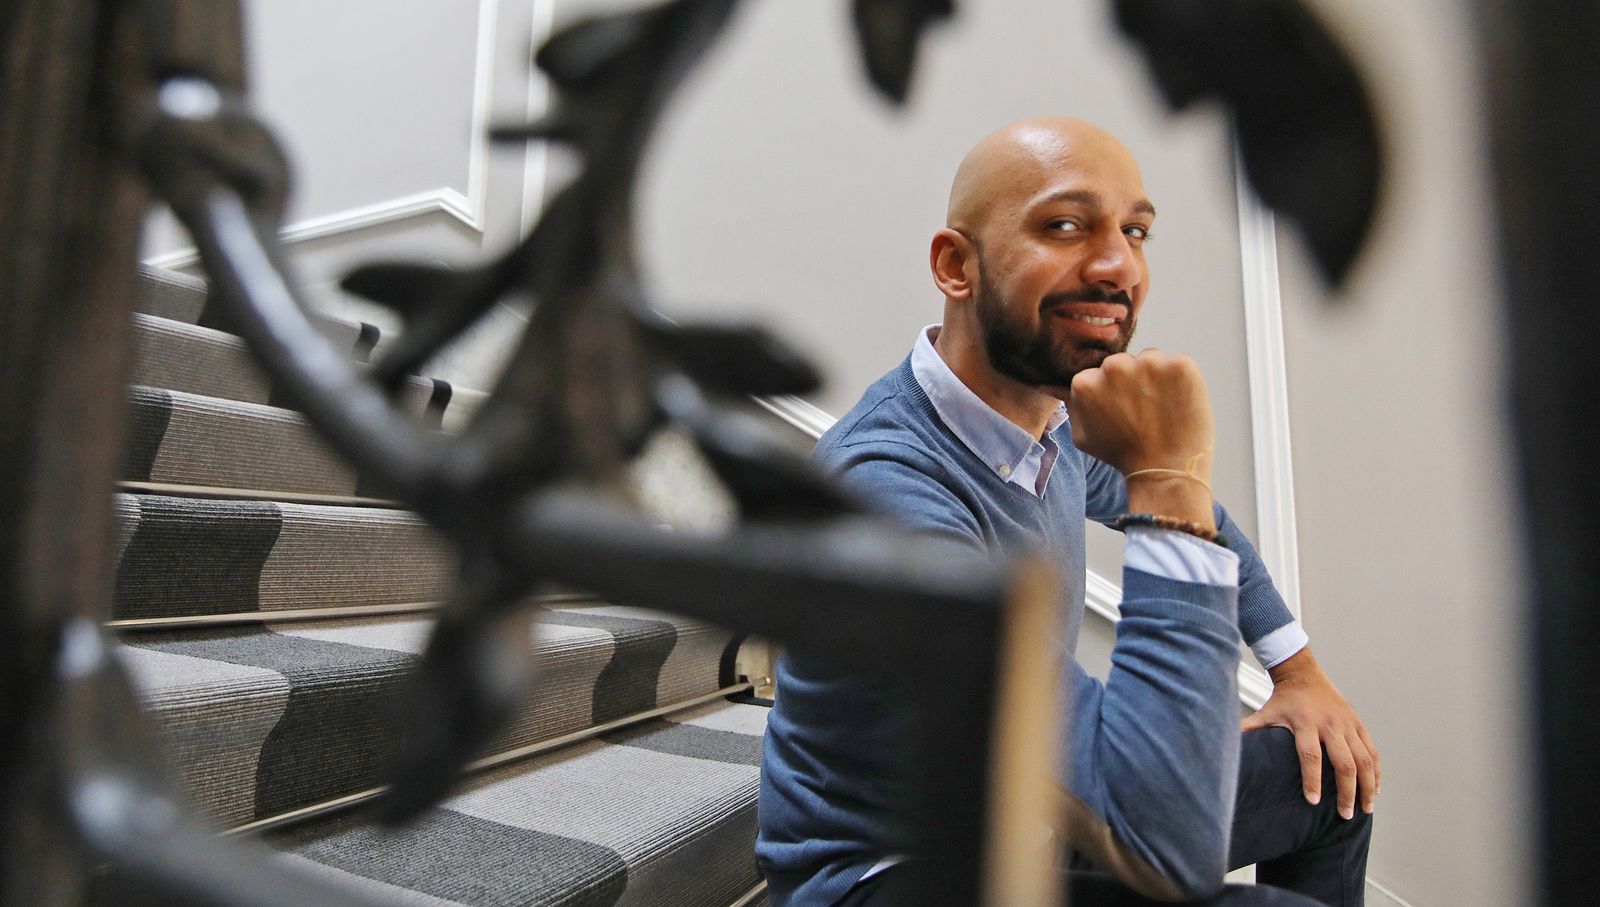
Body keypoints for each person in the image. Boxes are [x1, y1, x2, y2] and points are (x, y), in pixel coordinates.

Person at [757, 117, 1377, 906]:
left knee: (1330, 776)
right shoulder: (886, 498)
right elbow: (1162, 838)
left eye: (1137, 230)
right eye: (1065, 225)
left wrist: (1301, 674)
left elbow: (1207, 515)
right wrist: (1166, 482)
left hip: (1028, 829)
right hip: (895, 878)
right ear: (956, 265)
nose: (1121, 264)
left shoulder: (1048, 429)